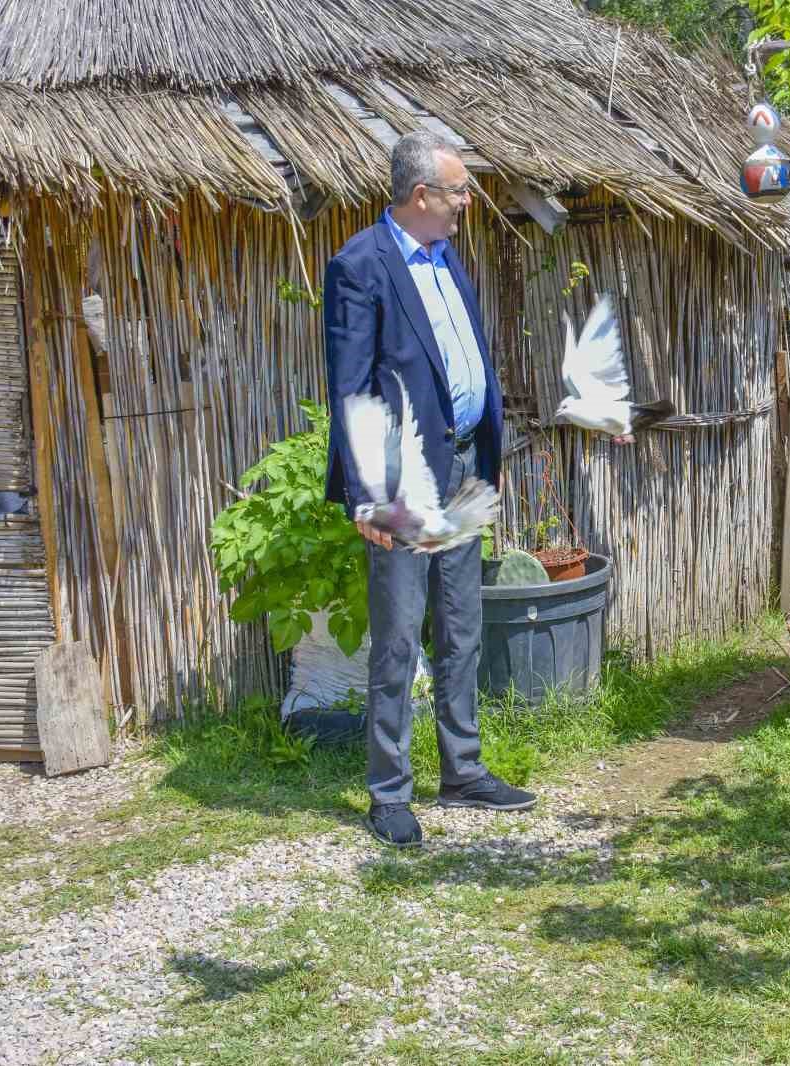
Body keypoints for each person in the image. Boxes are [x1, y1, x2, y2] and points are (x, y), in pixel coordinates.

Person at [324, 129, 536, 848]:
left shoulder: (448, 262)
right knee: (397, 634)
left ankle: (464, 769)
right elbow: (351, 386)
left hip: (464, 465)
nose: (467, 204)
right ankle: (389, 791)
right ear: (421, 195)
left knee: (462, 625)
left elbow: (464, 362)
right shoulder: (361, 267)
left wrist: (489, 448)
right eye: (458, 192)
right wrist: (365, 495)